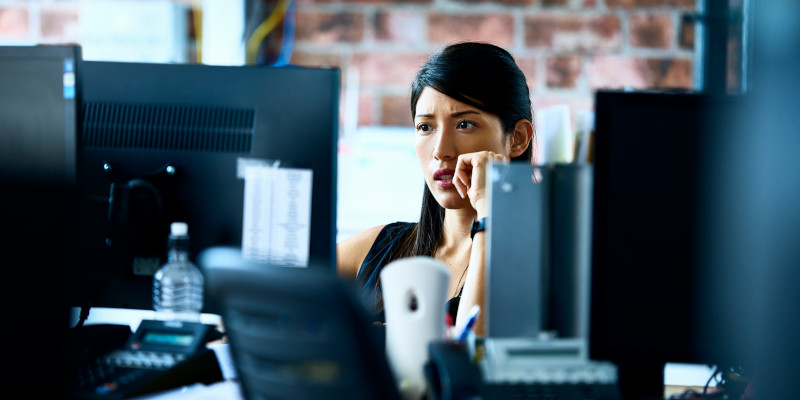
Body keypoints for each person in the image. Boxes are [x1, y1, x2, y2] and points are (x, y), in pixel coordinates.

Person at [337, 42, 534, 335]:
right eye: (425, 127)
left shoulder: (539, 263)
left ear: (517, 138)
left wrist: (491, 215)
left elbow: (474, 354)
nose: (440, 151)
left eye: (465, 124)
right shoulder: (380, 248)